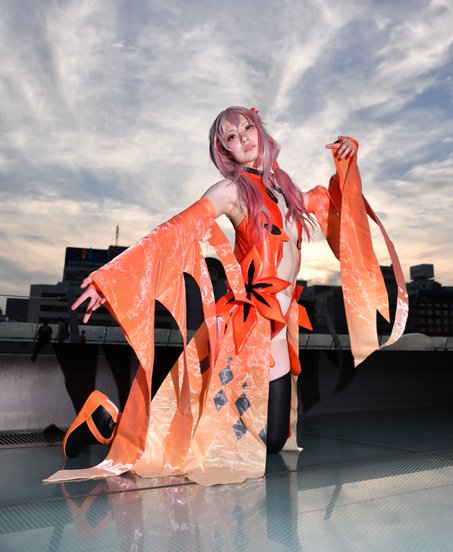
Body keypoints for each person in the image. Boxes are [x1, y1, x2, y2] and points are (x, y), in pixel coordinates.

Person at [45, 106, 408, 486]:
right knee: (208, 441)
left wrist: (347, 164)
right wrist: (114, 278)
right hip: (248, 327)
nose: (244, 138)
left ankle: (109, 422)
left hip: (281, 327)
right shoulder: (231, 191)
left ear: (260, 130)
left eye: (248, 128)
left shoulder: (288, 191)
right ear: (224, 150)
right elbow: (175, 231)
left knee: (273, 440)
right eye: (232, 136)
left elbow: (343, 217)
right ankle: (106, 419)